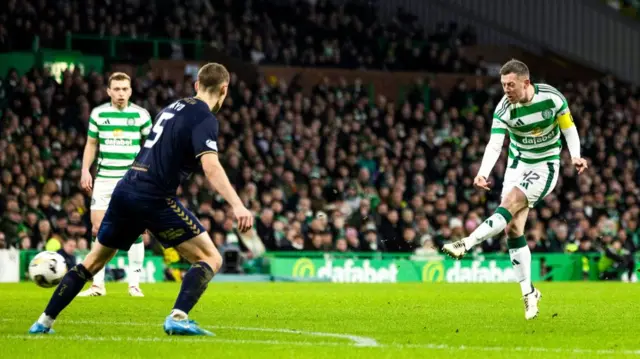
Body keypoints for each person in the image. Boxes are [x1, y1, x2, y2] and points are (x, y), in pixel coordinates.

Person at [29, 63, 254, 336]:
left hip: (126, 189)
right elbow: (211, 167)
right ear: (224, 89)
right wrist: (238, 204)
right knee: (210, 257)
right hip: (154, 197)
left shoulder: (171, 108)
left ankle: (43, 322)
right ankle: (178, 316)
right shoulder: (205, 118)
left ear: (196, 85)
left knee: (93, 262)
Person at [442, 59, 588, 320]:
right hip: (517, 165)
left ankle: (467, 243)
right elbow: (495, 144)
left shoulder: (552, 99)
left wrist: (575, 155)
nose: (506, 90)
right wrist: (482, 172)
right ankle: (529, 293)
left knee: (510, 202)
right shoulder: (503, 109)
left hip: (544, 166)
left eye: (511, 85)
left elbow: (569, 129)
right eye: (503, 85)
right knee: (513, 229)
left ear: (526, 83)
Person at [78, 72, 152, 297]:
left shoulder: (141, 115)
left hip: (131, 180)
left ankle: (134, 284)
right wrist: (84, 170)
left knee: (135, 229)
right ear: (109, 91)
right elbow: (91, 144)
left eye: (125, 89)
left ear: (130, 91)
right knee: (98, 229)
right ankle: (98, 285)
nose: (121, 93)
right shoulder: (99, 114)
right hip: (104, 179)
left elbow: (151, 149)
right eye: (117, 89)